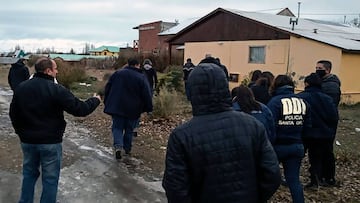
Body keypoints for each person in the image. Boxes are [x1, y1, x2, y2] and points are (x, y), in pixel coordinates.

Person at [162, 58, 281, 203]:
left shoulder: (182, 136)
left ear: (191, 92)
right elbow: (272, 174)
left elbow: (176, 190)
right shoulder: (253, 125)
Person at [9, 57, 101, 203]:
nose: (57, 71)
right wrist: (95, 100)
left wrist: (20, 132)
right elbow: (80, 109)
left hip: (28, 141)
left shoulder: (21, 88)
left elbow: (13, 114)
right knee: (50, 179)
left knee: (29, 174)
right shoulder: (57, 89)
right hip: (50, 142)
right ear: (48, 71)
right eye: (55, 68)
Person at [267, 75, 311, 203]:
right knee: (294, 180)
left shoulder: (275, 102)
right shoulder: (303, 102)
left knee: (268, 179)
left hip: (277, 147)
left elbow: (270, 126)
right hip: (296, 146)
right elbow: (307, 127)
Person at [104, 58, 153, 159]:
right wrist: (149, 108)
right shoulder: (141, 77)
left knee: (117, 127)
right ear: (137, 65)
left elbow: (107, 87)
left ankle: (118, 146)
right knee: (129, 129)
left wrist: (107, 101)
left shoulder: (117, 74)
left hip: (117, 106)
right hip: (133, 108)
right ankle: (127, 149)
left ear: (128, 64)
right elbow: (147, 94)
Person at [298, 73, 339, 188]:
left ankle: (293, 178)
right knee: (317, 158)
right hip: (323, 134)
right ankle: (316, 180)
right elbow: (333, 117)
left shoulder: (301, 97)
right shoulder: (327, 99)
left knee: (298, 157)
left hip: (305, 133)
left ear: (306, 84)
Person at [315, 60, 341, 186]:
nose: (317, 70)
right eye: (316, 67)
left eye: (320, 68)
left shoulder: (331, 86)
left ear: (328, 70)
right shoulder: (324, 83)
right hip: (323, 120)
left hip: (327, 121)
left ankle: (328, 177)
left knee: (326, 149)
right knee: (321, 149)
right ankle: (322, 176)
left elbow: (328, 104)